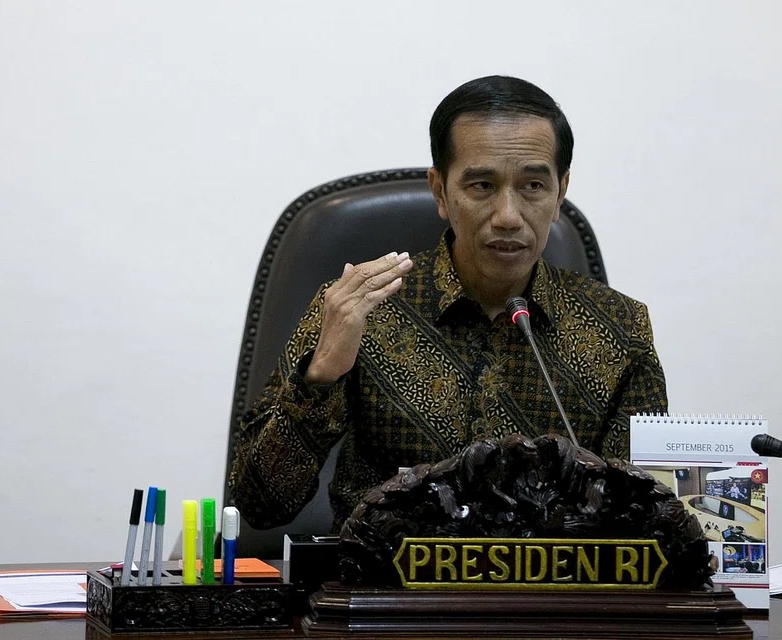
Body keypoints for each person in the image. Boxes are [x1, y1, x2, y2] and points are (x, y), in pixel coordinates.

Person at [229, 75, 668, 530]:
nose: (508, 216)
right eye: (482, 185)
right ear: (440, 191)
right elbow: (259, 504)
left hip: (556, 574)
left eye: (533, 186)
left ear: (561, 192)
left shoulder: (619, 328)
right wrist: (322, 375)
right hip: (387, 571)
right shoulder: (364, 309)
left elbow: (647, 520)